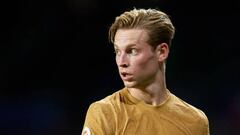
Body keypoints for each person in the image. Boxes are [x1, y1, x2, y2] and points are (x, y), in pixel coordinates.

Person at [81, 8, 210, 135]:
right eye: (117, 51)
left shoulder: (196, 121)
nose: (121, 62)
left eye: (132, 51)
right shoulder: (104, 113)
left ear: (161, 52)